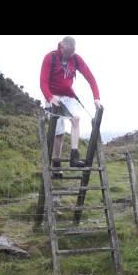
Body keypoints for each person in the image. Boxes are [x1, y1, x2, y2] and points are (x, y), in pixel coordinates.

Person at [40, 36, 102, 175]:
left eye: (73, 51)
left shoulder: (76, 58)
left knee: (76, 118)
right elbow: (43, 82)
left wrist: (96, 98)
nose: (71, 55)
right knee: (59, 133)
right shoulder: (50, 57)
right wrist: (50, 97)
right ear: (62, 47)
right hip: (53, 96)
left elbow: (90, 78)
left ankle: (74, 156)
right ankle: (56, 164)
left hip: (69, 97)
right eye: (68, 52)